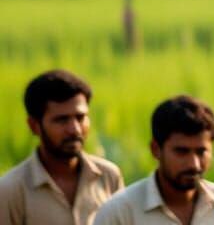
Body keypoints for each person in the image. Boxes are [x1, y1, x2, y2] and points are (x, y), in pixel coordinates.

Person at [94, 95, 214, 225]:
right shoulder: (120, 211)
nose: (194, 164)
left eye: (201, 152)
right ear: (155, 149)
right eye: (181, 152)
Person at [0, 70, 122, 225]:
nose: (75, 129)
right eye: (61, 120)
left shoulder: (109, 177)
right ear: (34, 126)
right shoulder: (11, 191)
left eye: (80, 118)